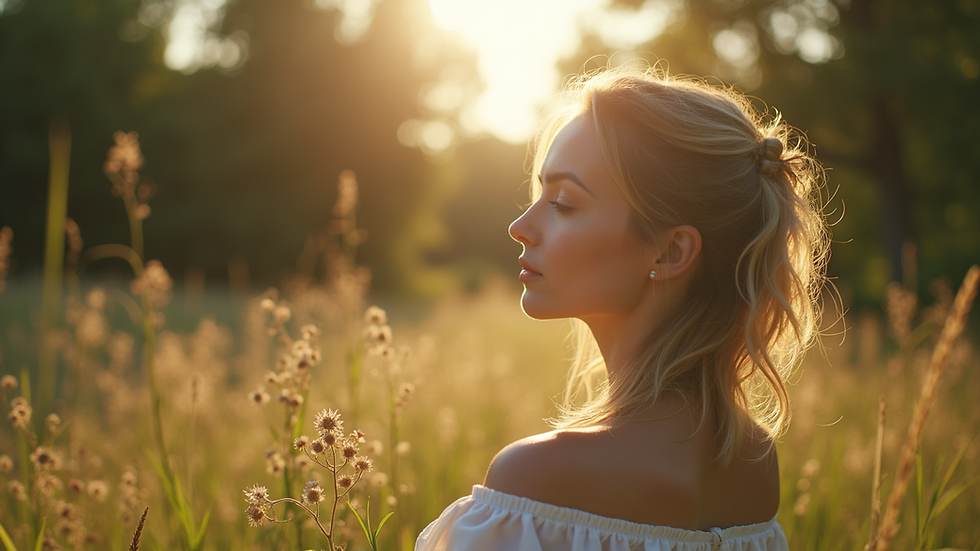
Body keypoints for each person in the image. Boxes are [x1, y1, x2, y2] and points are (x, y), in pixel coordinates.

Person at [416, 65, 830, 551]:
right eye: (540, 195)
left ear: (670, 252)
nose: (520, 226)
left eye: (564, 203)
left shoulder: (536, 478)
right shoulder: (755, 463)